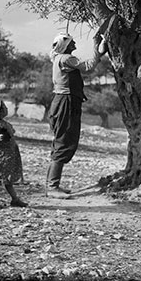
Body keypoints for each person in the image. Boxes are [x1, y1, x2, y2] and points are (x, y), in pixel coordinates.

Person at [46, 32, 108, 198]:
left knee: (61, 141)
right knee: (63, 142)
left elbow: (87, 64)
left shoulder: (59, 59)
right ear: (65, 46)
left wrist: (99, 50)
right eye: (72, 43)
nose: (75, 46)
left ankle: (52, 185)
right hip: (66, 103)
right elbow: (88, 67)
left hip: (64, 102)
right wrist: (97, 49)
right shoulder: (65, 59)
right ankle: (52, 187)